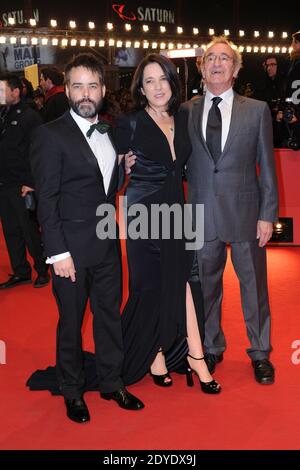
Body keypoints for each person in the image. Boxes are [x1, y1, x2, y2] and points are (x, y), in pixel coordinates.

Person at [29, 53, 144, 424]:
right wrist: (57, 252)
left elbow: (104, 188)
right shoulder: (50, 134)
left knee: (109, 317)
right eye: (77, 85)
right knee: (71, 322)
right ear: (68, 88)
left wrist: (121, 171)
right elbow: (46, 199)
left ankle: (112, 382)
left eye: (92, 85)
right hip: (70, 252)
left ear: (103, 89)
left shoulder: (111, 131)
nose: (84, 92)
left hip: (107, 242)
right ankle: (72, 390)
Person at [115, 53, 221, 394]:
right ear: (141, 89)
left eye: (162, 78)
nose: (157, 86)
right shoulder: (129, 123)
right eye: (149, 81)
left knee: (185, 282)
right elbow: (107, 168)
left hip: (177, 212)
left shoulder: (182, 117)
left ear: (172, 82)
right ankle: (155, 354)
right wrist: (124, 168)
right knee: (149, 289)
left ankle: (195, 355)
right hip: (143, 217)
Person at [184, 36, 278, 384]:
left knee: (253, 287)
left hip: (245, 214)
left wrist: (267, 213)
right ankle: (211, 346)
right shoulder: (186, 110)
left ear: (236, 69)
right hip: (201, 215)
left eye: (225, 58)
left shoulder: (257, 110)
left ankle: (259, 352)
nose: (217, 63)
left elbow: (266, 166)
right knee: (205, 287)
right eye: (211, 58)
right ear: (202, 67)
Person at [0, 74, 49, 289]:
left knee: (29, 230)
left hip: (22, 185)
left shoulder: (31, 117)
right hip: (4, 183)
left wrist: (31, 182)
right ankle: (21, 271)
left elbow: (39, 153)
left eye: (2, 90)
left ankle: (42, 270)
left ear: (15, 91)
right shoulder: (2, 114)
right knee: (10, 231)